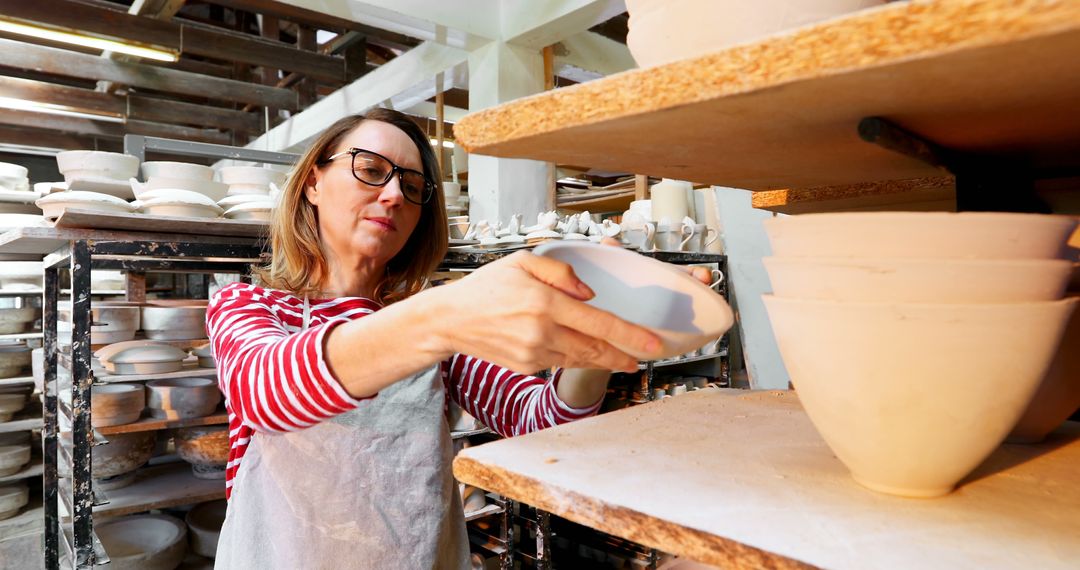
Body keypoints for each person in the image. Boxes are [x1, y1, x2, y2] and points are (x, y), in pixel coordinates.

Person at [206, 108, 710, 569]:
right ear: (313, 182)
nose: (394, 195)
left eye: (412, 184)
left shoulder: (430, 328)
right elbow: (265, 390)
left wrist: (602, 339)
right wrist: (442, 315)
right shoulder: (252, 306)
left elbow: (539, 418)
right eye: (372, 169)